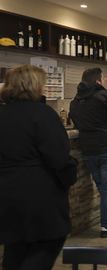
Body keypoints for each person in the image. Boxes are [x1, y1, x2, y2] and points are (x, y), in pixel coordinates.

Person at [0, 64, 77, 269]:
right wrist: (70, 176)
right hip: (40, 199)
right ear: (34, 86)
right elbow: (59, 159)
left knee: (14, 250)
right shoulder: (43, 114)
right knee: (45, 247)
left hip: (6, 198)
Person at [69, 67, 107, 238]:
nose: (105, 81)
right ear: (98, 81)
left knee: (104, 188)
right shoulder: (104, 96)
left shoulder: (75, 101)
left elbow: (77, 124)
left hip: (89, 151)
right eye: (104, 78)